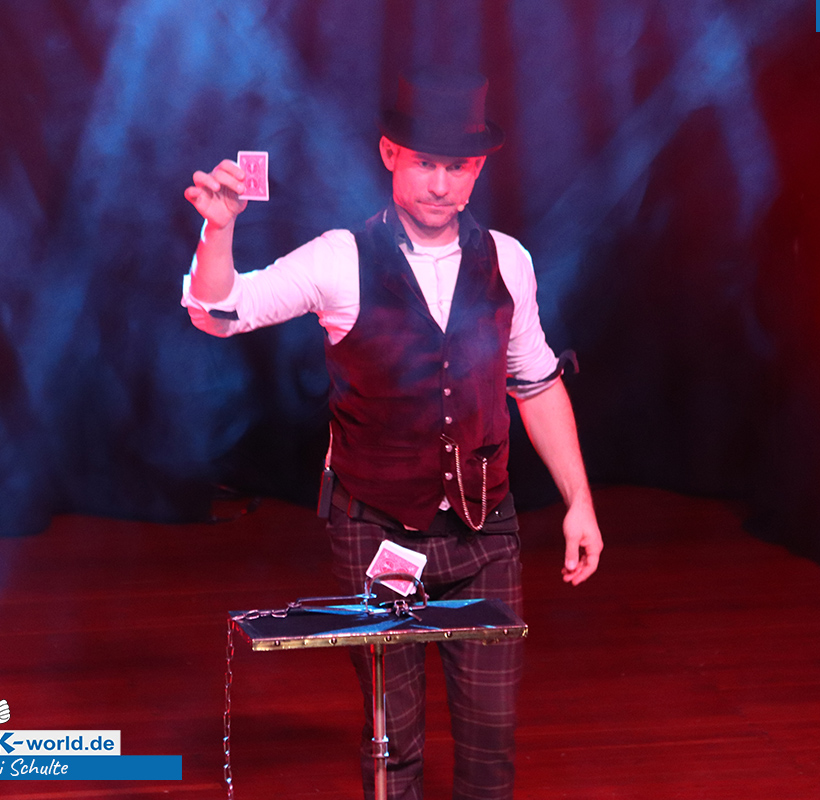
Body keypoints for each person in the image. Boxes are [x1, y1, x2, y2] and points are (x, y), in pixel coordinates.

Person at [182, 68, 602, 800]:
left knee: (491, 743)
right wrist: (219, 231)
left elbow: (535, 383)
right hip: (376, 531)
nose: (441, 185)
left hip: (485, 533)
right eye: (425, 163)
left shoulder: (509, 261)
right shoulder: (339, 258)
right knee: (393, 743)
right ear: (389, 154)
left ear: (479, 168)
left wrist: (580, 502)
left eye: (458, 167)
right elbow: (221, 312)